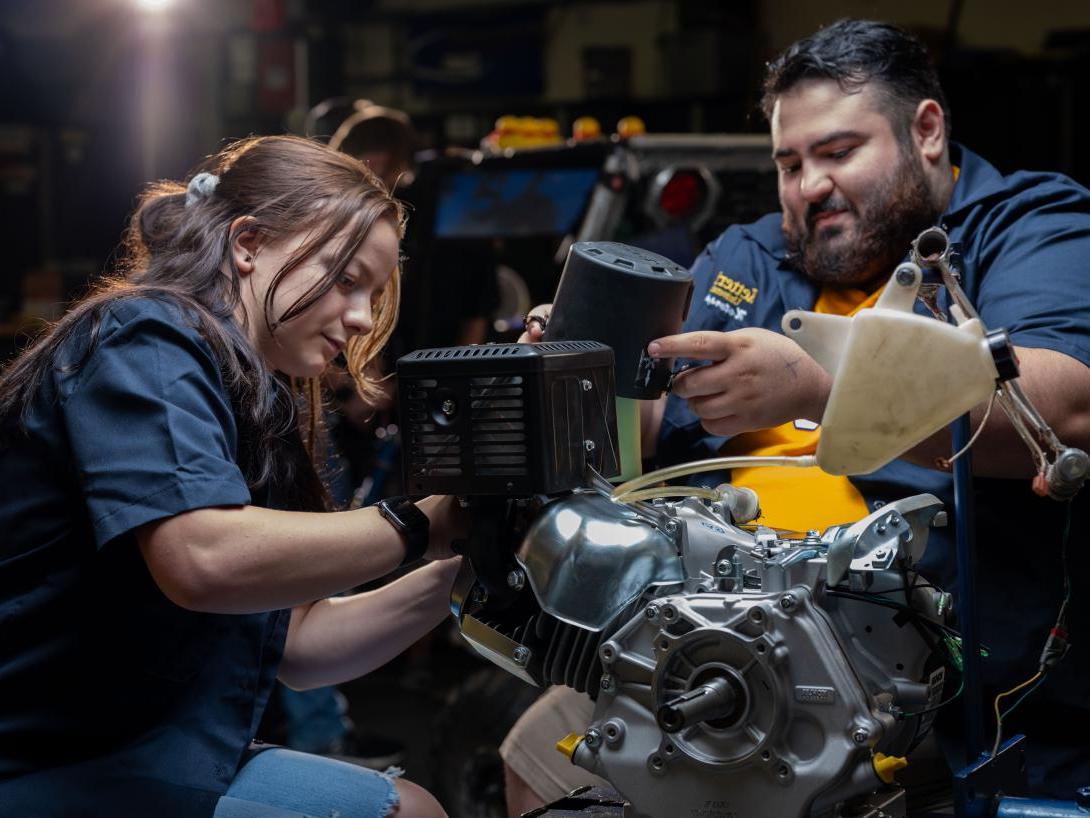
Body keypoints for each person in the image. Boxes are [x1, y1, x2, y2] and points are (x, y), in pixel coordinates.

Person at [502, 18, 1090, 814]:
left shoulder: (1028, 228)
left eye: (839, 152)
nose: (808, 186)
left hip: (921, 679)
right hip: (711, 638)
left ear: (925, 131)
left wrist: (820, 389)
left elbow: (1064, 406)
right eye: (789, 162)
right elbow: (640, 438)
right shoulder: (749, 258)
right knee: (536, 745)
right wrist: (578, 376)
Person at [0, 134, 468, 818]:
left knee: (413, 808)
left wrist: (472, 563)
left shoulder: (257, 394)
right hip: (43, 762)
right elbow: (203, 558)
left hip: (142, 747)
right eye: (346, 280)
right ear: (248, 244)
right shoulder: (142, 339)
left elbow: (302, 648)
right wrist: (423, 524)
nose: (364, 317)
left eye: (371, 291)